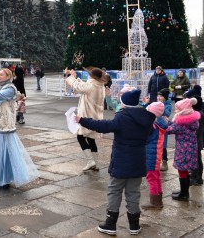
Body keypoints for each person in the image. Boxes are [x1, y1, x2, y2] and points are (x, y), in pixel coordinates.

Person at [75, 89, 156, 236]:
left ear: (124, 104)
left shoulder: (122, 118)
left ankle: (110, 224)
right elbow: (150, 134)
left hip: (121, 162)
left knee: (114, 191)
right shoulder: (147, 118)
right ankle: (134, 225)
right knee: (133, 193)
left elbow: (102, 126)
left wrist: (81, 120)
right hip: (138, 161)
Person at [0, 68, 39, 190]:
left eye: (2, 75)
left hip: (4, 125)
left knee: (5, 153)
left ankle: (5, 180)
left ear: (8, 76)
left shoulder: (11, 88)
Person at [65, 67, 107, 172]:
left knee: (80, 136)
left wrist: (72, 77)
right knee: (91, 139)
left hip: (87, 116)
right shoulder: (100, 86)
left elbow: (78, 87)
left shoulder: (91, 85)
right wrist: (76, 78)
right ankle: (96, 164)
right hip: (96, 117)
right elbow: (84, 86)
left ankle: (90, 161)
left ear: (92, 77)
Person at [166, 98, 200, 201]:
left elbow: (170, 130)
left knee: (182, 170)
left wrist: (165, 123)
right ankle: (184, 191)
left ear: (183, 110)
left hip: (183, 150)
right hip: (190, 149)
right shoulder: (191, 120)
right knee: (185, 170)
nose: (175, 111)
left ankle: (184, 194)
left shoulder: (182, 123)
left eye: (177, 109)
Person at [141, 102, 167, 210]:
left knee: (151, 177)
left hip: (151, 154)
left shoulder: (153, 125)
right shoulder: (160, 123)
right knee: (156, 176)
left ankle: (154, 202)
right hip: (156, 154)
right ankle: (158, 199)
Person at [185, 95, 204, 186]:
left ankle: (196, 178)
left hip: (196, 140)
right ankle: (196, 176)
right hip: (198, 139)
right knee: (196, 158)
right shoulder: (201, 112)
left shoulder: (198, 114)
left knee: (196, 159)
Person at [156, 88, 172, 171]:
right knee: (155, 144)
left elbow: (167, 113)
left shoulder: (168, 105)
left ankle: (164, 161)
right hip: (155, 126)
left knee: (163, 145)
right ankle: (156, 160)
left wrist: (160, 106)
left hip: (163, 126)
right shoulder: (157, 103)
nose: (158, 97)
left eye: (161, 96)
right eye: (158, 95)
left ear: (165, 97)